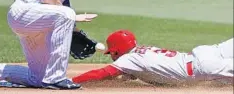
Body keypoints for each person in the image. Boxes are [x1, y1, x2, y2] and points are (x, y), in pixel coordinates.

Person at [72, 30, 233, 86]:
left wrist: (73, 81)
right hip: (205, 53)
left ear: (117, 51)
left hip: (202, 67)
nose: (113, 57)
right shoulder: (142, 51)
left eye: (113, 53)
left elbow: (102, 74)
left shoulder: (128, 60)